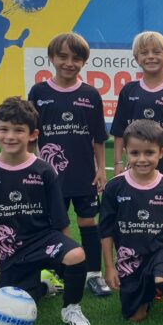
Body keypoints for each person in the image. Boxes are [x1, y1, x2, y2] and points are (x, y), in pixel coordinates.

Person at [0, 96, 91, 325]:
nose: (10, 136)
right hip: (12, 251)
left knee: (76, 255)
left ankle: (71, 308)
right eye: (4, 129)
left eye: (18, 130)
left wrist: (65, 254)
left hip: (45, 241)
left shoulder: (44, 171)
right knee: (20, 300)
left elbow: (60, 219)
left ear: (33, 134)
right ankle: (43, 287)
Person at [27, 33, 110, 298]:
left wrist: (101, 169)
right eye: (62, 57)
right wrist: (30, 168)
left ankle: (93, 275)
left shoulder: (90, 94)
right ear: (52, 58)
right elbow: (31, 135)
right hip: (50, 177)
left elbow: (98, 137)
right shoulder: (39, 92)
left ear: (84, 62)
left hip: (83, 174)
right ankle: (58, 273)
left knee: (88, 221)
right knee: (54, 226)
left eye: (76, 58)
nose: (69, 63)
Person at [100, 119, 163, 323]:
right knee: (135, 317)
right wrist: (109, 267)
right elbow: (105, 231)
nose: (142, 159)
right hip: (129, 257)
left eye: (149, 153)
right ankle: (150, 290)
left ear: (162, 152)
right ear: (125, 152)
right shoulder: (115, 187)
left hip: (161, 251)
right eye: (135, 153)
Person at [111, 31, 163, 185]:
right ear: (136, 58)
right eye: (144, 53)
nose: (150, 56)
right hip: (136, 163)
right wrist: (118, 163)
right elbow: (119, 128)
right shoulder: (128, 90)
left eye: (156, 52)